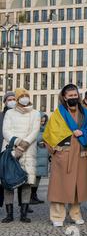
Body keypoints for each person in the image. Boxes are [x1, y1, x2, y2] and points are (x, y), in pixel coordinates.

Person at [43, 84, 87, 227]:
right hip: (63, 152)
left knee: (77, 186)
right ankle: (57, 216)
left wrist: (82, 133)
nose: (73, 98)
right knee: (59, 185)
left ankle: (75, 214)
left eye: (75, 95)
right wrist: (57, 149)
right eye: (70, 95)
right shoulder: (58, 113)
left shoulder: (85, 112)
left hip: (81, 152)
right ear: (64, 97)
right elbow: (50, 133)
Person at [2, 89, 40, 223]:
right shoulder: (9, 113)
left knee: (26, 183)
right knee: (8, 182)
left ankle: (24, 214)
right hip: (10, 149)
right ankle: (9, 214)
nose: (24, 98)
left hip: (28, 150)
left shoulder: (35, 113)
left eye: (26, 96)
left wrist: (24, 144)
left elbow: (35, 131)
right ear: (17, 99)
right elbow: (6, 130)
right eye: (21, 96)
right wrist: (17, 142)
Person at [0, 92, 17, 210]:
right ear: (5, 102)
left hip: (18, 149)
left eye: (14, 99)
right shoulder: (1, 115)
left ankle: (24, 206)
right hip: (2, 150)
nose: (12, 101)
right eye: (9, 99)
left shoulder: (20, 115)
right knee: (2, 180)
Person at [32, 113, 49, 205]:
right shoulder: (33, 130)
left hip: (43, 157)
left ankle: (34, 195)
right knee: (33, 177)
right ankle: (31, 196)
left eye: (44, 121)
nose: (42, 123)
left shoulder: (46, 130)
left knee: (38, 178)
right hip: (36, 156)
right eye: (41, 121)